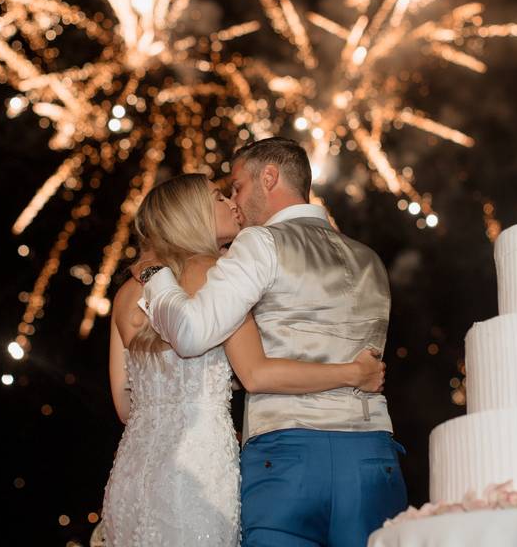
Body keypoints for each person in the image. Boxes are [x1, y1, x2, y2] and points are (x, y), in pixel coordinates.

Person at [138, 137, 407, 547]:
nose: (235, 201)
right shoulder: (369, 259)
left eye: (239, 187)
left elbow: (191, 334)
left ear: (269, 177)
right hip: (373, 455)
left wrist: (155, 275)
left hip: (289, 454)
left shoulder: (261, 243)